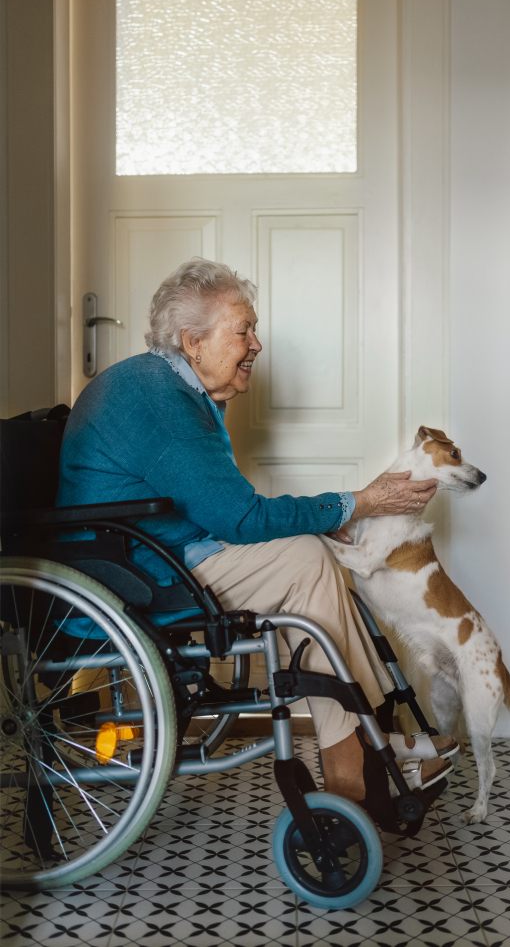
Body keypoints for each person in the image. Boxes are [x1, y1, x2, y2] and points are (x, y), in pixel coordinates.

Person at [58, 257, 457, 811]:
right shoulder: (156, 401)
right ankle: (356, 764)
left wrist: (338, 515)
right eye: (242, 330)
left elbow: (223, 508)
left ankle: (367, 744)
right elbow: (240, 518)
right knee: (306, 562)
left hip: (161, 553)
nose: (256, 344)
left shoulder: (171, 389)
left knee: (308, 558)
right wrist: (357, 503)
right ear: (192, 341)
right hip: (131, 572)